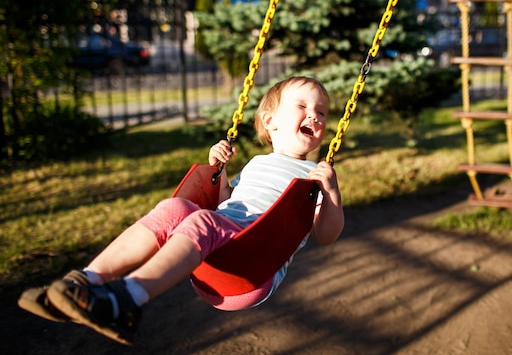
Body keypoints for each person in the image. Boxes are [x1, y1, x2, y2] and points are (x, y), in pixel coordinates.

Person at [18, 76, 344, 345]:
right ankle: (86, 281)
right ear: (270, 122)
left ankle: (128, 299)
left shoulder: (313, 178)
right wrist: (219, 170)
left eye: (322, 112)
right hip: (216, 260)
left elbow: (326, 235)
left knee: (204, 220)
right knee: (176, 207)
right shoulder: (258, 162)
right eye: (302, 106)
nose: (314, 115)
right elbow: (226, 200)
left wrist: (331, 192)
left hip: (254, 269)